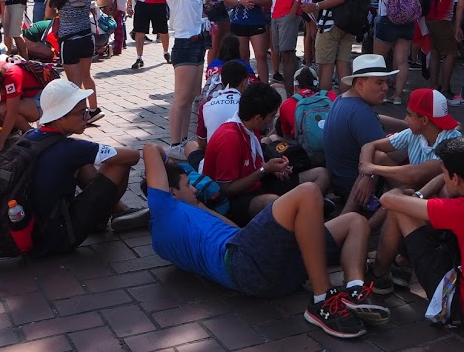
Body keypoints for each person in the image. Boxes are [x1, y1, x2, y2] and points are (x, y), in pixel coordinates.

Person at [141, 145, 388, 339]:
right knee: (308, 191)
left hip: (275, 275)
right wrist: (168, 162)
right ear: (171, 193)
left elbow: (233, 230)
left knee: (355, 221)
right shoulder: (163, 211)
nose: (194, 189)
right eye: (188, 185)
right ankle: (322, 300)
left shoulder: (187, 215)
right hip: (242, 263)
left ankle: (355, 288)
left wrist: (200, 206)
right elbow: (151, 149)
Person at [372, 136, 464, 324]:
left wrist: (406, 192)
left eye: (444, 174)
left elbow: (388, 200)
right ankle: (400, 263)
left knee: (399, 211)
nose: (443, 179)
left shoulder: (462, 210)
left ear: (456, 178)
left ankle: (379, 274)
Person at [25, 80, 148, 255]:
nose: (88, 117)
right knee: (119, 162)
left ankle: (120, 211)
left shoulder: (30, 136)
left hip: (33, 233)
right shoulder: (71, 148)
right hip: (57, 239)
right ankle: (103, 218)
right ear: (60, 117)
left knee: (84, 162)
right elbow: (132, 155)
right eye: (82, 113)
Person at [203, 83, 330, 226]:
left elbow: (253, 166)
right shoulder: (230, 138)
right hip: (232, 201)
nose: (271, 121)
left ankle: (301, 211)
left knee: (322, 175)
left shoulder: (251, 127)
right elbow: (225, 189)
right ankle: (303, 215)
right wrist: (264, 170)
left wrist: (274, 169)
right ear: (258, 118)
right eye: (271, 116)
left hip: (257, 184)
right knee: (271, 202)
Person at [323, 54, 399, 210]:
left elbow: (376, 118)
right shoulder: (361, 113)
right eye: (379, 83)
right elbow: (383, 156)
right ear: (360, 83)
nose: (385, 88)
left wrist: (406, 126)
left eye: (386, 82)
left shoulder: (343, 99)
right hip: (358, 190)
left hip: (339, 183)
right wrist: (415, 137)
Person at [163, 0, 216, 160]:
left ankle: (183, 140)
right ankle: (175, 143)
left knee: (192, 94)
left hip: (198, 42)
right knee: (181, 97)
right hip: (184, 44)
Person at [358, 88, 460, 197]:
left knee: (411, 187)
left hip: (436, 201)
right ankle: (351, 208)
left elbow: (416, 175)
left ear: (424, 120)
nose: (406, 119)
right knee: (377, 156)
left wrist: (372, 169)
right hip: (414, 191)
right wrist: (366, 176)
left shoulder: (453, 142)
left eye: (409, 115)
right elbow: (369, 145)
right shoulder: (413, 133)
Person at [46, 0, 113, 124]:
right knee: (86, 76)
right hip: (86, 37)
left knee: (74, 82)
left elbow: (48, 14)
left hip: (69, 40)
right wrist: (92, 5)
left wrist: (62, 12)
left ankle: (80, 115)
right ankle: (94, 109)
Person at [364, 0, 417, 105]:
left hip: (388, 21)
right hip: (407, 23)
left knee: (378, 59)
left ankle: (379, 93)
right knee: (402, 61)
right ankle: (398, 96)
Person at [225, 0, 271, 83]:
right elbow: (227, 0)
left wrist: (256, 2)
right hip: (238, 22)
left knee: (261, 55)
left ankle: (264, 86)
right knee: (243, 56)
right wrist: (240, 2)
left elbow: (268, 1)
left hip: (257, 21)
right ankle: (245, 84)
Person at [0, 56, 53, 153]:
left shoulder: (11, 75)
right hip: (22, 101)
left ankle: (33, 135)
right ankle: (13, 131)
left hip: (38, 100)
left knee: (3, 110)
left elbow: (12, 112)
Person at [424, 0, 464, 94]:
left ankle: (434, 87)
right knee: (451, 52)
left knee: (436, 52)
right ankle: (445, 88)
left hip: (436, 16)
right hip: (439, 18)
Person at [278, 65, 337, 140]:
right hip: (332, 143)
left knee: (273, 133)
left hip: (302, 146)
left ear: (295, 86)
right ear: (316, 84)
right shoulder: (331, 96)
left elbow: (286, 134)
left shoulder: (287, 104)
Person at [200, 58, 249, 143]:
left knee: (191, 145)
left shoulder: (205, 105)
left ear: (222, 81)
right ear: (244, 82)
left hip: (215, 148)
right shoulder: (249, 105)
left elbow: (201, 141)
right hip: (241, 149)